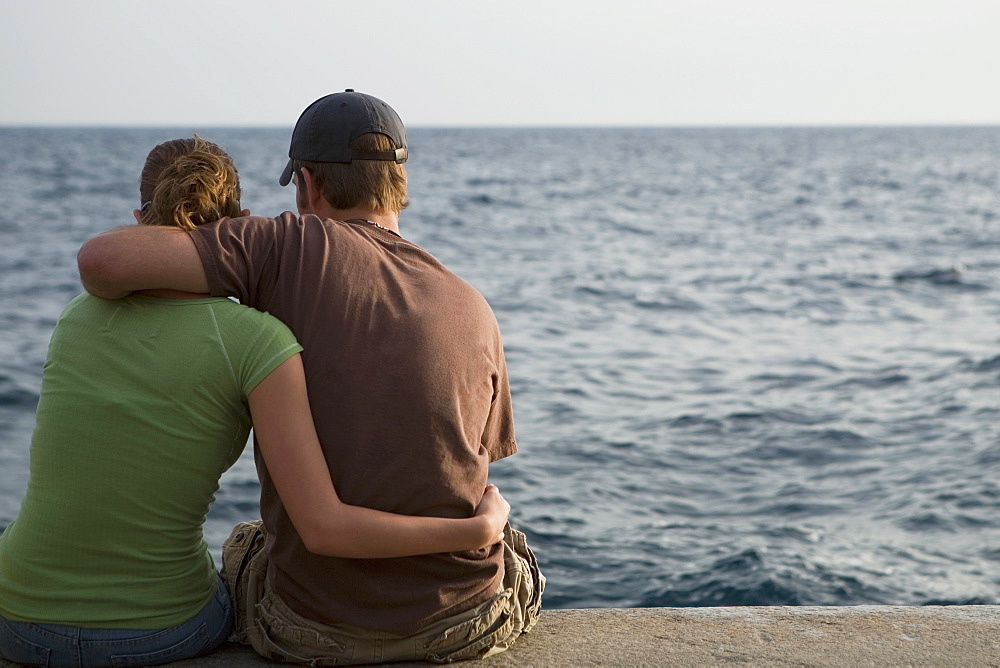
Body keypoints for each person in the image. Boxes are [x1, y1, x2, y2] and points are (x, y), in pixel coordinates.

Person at [0, 136, 511, 667]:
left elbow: (103, 261)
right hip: (164, 630)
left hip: (14, 611)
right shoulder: (261, 341)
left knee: (245, 545)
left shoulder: (74, 318)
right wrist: (477, 529)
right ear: (237, 221)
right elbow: (328, 523)